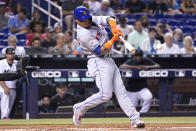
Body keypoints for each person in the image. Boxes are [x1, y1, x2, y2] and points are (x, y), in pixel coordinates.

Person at [72, 6, 145, 128]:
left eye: (87, 18)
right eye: (82, 20)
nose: (86, 22)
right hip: (97, 61)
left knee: (121, 92)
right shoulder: (83, 34)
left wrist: (114, 27)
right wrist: (113, 39)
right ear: (76, 20)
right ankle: (79, 108)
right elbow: (99, 50)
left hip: (109, 60)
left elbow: (109, 18)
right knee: (105, 95)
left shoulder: (90, 19)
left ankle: (135, 119)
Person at [0, 47, 18, 119]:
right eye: (10, 54)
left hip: (13, 88)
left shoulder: (18, 63)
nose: (11, 55)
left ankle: (4, 118)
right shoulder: (1, 63)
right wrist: (5, 88)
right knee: (5, 94)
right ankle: (4, 116)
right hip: (2, 86)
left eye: (13, 53)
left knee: (9, 107)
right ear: (6, 55)